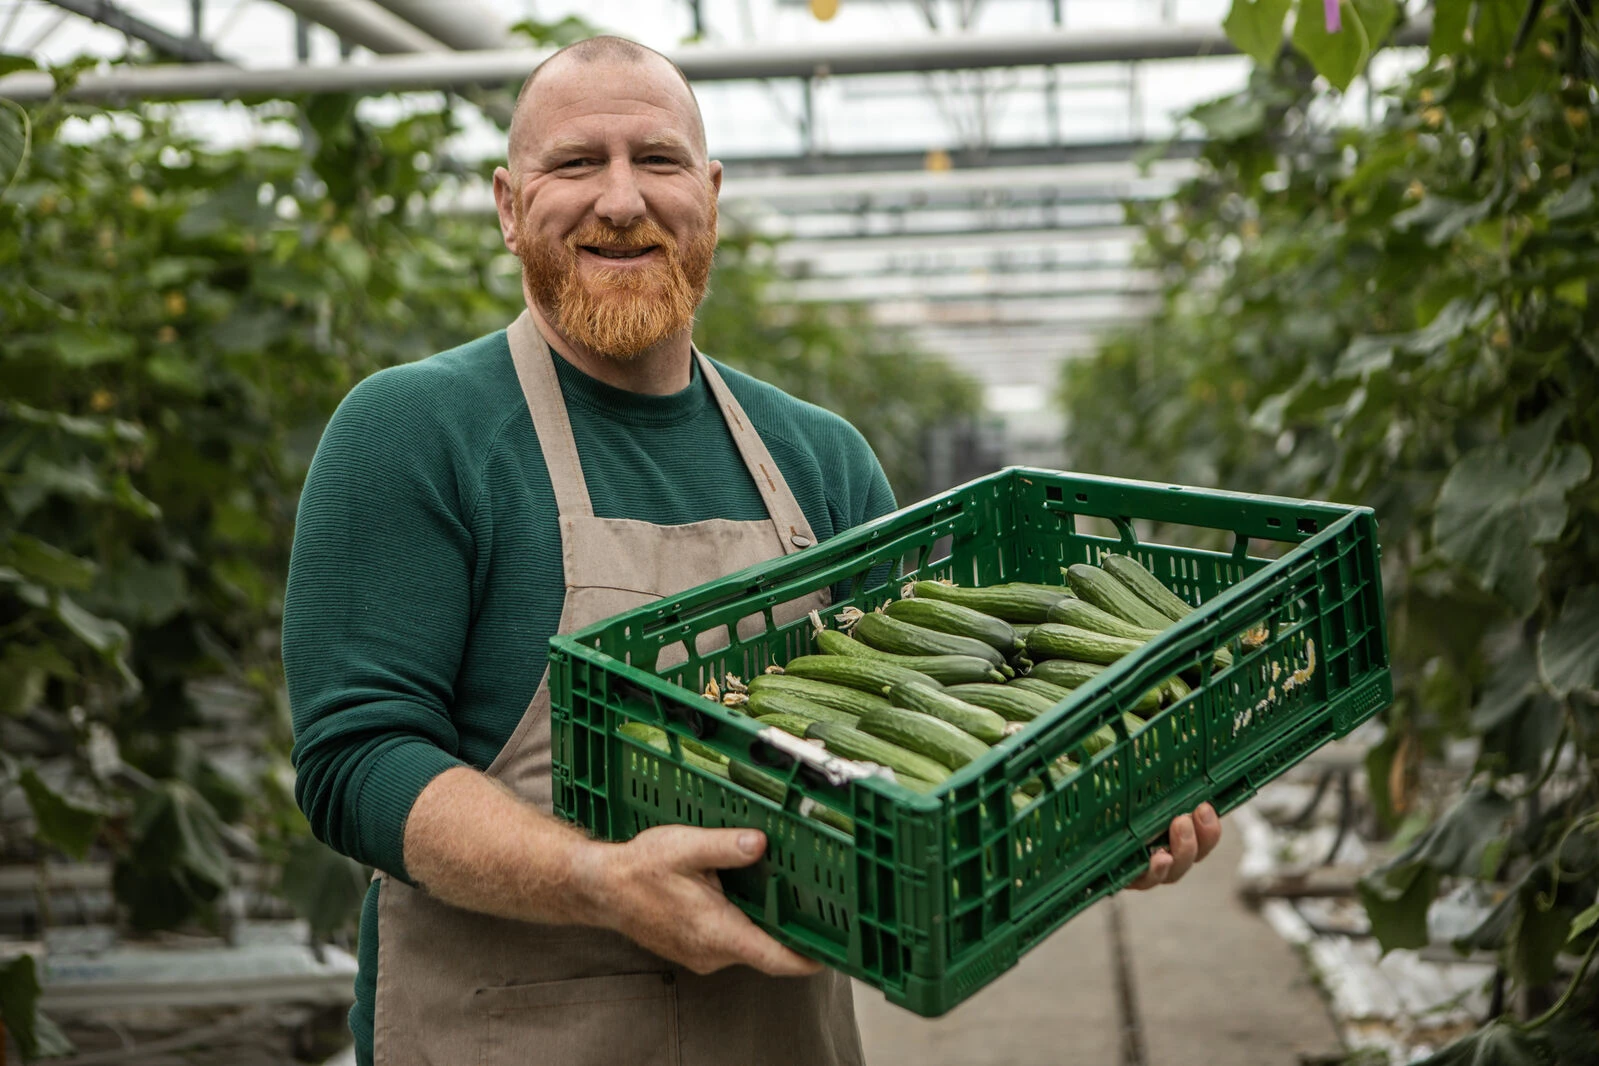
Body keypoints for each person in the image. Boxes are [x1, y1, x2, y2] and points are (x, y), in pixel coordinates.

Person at [283, 35, 1222, 1066]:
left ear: (712, 194)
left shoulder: (822, 459)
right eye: (575, 163)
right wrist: (597, 878)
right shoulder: (416, 430)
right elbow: (356, 759)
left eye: (659, 159)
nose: (621, 199)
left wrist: (1085, 820)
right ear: (509, 205)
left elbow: (914, 767)